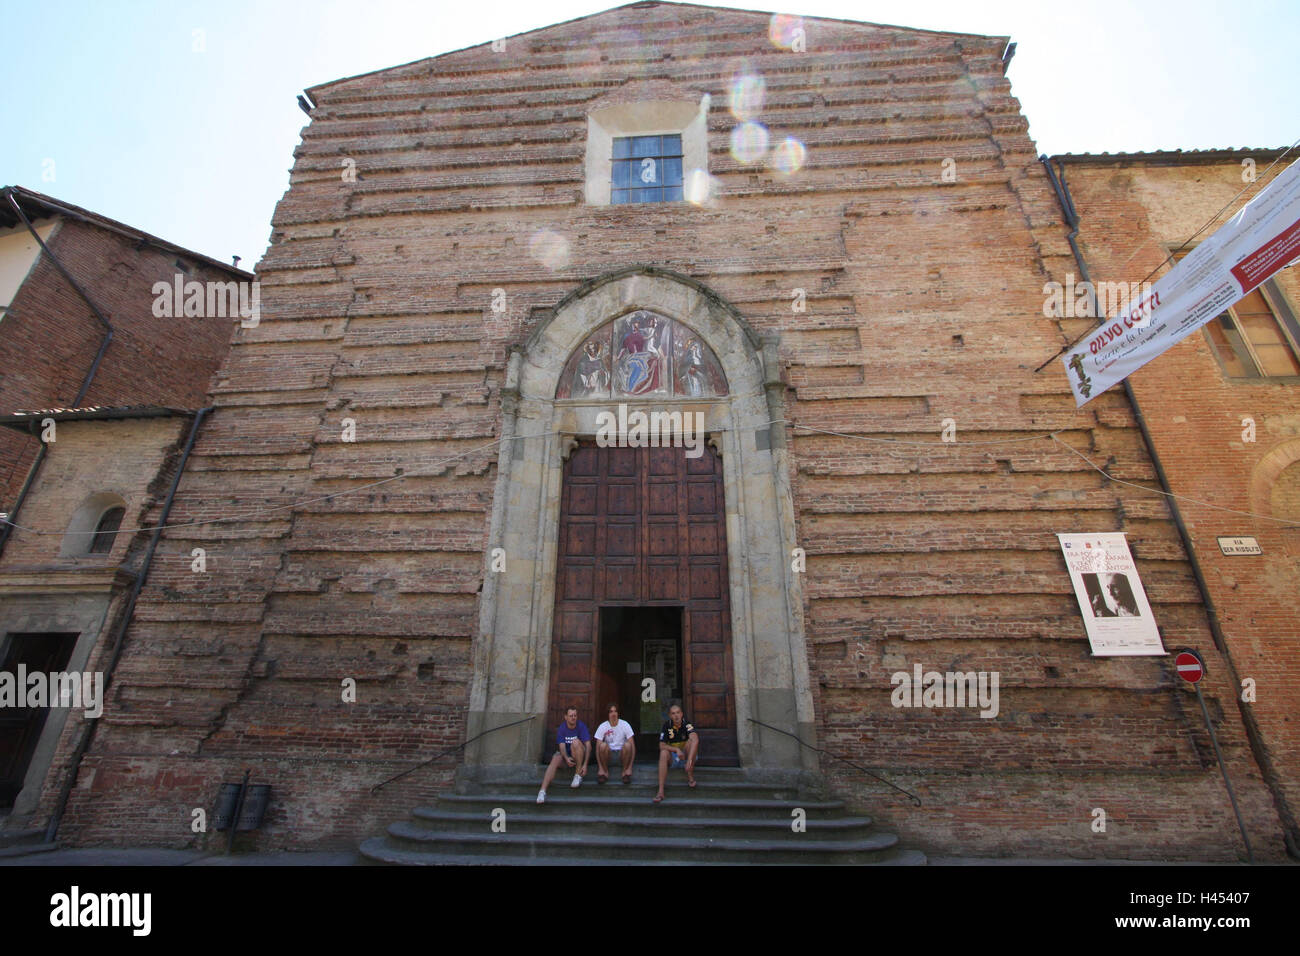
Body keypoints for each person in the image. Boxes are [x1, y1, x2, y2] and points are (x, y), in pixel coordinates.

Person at [537, 705, 590, 803]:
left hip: (578, 755)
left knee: (575, 742)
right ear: (565, 717)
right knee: (556, 758)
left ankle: (577, 775)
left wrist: (585, 764)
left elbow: (588, 745)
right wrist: (566, 758)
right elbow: (561, 746)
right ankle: (542, 791)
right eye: (571, 716)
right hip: (568, 757)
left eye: (575, 715)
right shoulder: (562, 728)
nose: (573, 717)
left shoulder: (581, 726)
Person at [653, 701, 699, 803]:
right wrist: (676, 750)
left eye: (678, 712)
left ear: (681, 714)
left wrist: (689, 762)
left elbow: (695, 740)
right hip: (675, 758)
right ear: (670, 715)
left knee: (691, 742)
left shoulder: (687, 724)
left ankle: (690, 775)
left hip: (688, 758)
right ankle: (660, 790)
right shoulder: (666, 726)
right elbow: (661, 745)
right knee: (663, 753)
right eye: (673, 713)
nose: (676, 715)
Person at [593, 703, 636, 784]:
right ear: (608, 714)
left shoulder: (625, 724)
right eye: (611, 712)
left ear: (618, 713)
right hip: (608, 756)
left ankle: (624, 773)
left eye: (615, 711)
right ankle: (605, 772)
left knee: (628, 745)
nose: (613, 714)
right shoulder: (602, 726)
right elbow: (597, 748)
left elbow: (632, 747)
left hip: (622, 755)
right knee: (602, 746)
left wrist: (630, 767)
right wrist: (600, 767)